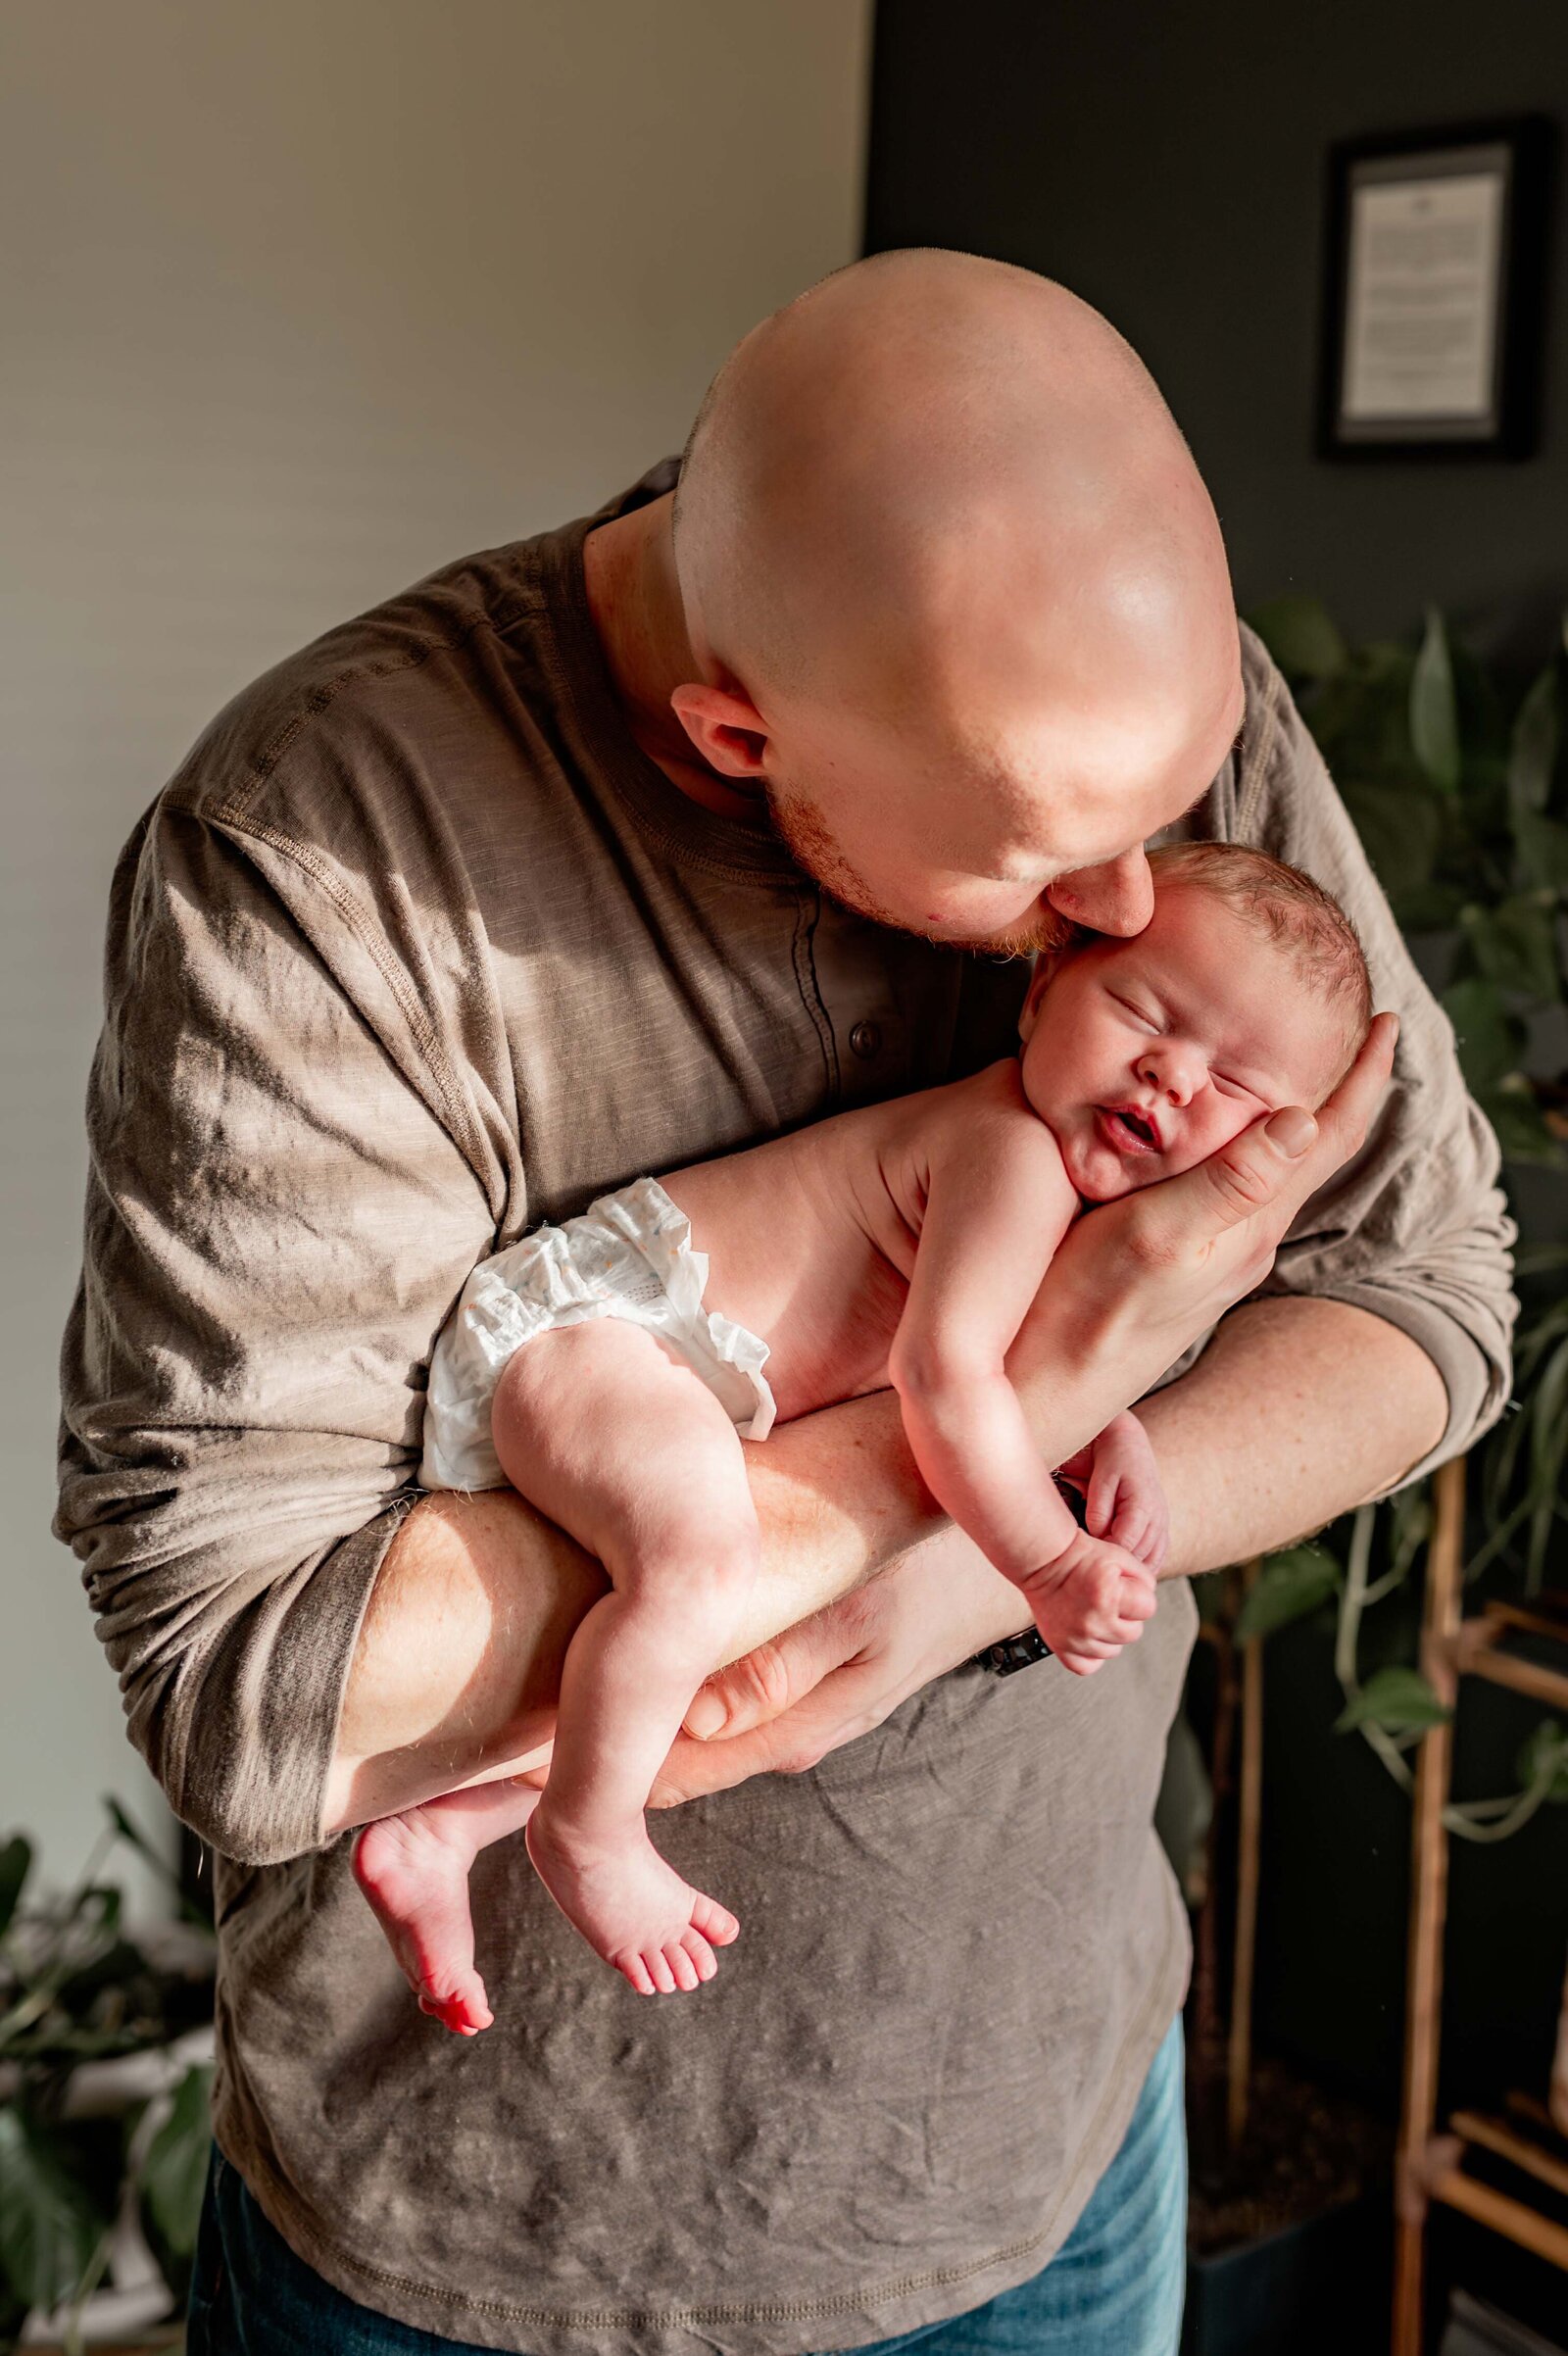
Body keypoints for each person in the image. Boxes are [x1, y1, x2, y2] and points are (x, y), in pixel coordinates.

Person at [56, 251, 1513, 2356]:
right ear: (732, 733)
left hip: (1054, 2151)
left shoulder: (1119, 733)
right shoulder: (322, 848)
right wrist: (1028, 1409)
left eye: (1174, 804)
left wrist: (984, 1573)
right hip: (487, 2246)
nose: (1130, 908)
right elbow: (256, 1684)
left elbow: (1424, 1297)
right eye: (1043, 865)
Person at [366, 842, 1372, 2023]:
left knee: (697, 1636)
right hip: (604, 1335)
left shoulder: (1062, 1197)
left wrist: (1111, 1433)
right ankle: (584, 1834)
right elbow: (946, 1381)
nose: (1170, 1075)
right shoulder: (1010, 1154)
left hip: (665, 1377)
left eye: (1238, 1088)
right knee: (704, 1566)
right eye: (1144, 1010)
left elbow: (1027, 1368)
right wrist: (1045, 1561)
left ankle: (441, 1828)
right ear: (1042, 988)